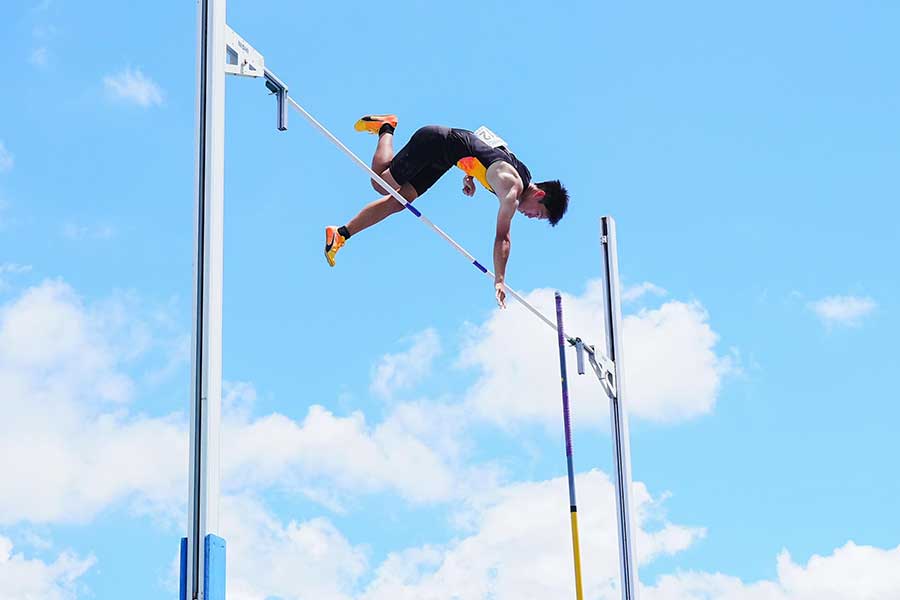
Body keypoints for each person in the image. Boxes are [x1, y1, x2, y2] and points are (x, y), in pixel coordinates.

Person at [324, 115, 569, 308]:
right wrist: (500, 279)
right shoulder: (512, 189)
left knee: (399, 201)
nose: (531, 216)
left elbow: (484, 143)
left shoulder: (523, 174)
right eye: (538, 213)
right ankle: (385, 127)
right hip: (435, 142)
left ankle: (341, 233)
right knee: (380, 184)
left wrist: (469, 175)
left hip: (445, 157)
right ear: (539, 195)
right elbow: (502, 237)